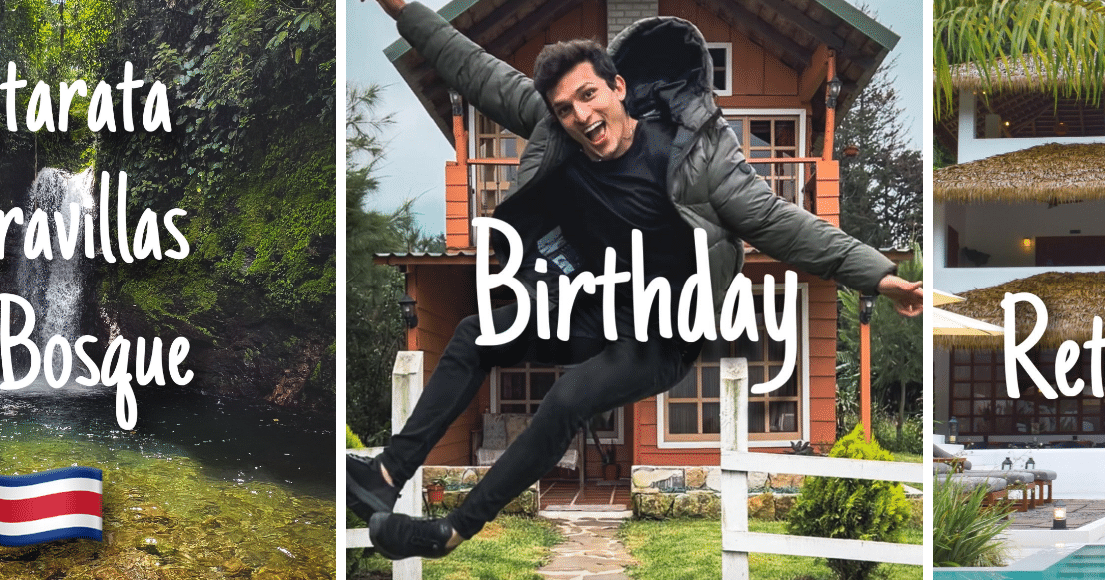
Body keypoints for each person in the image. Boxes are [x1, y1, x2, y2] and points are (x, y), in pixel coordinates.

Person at [350, 0, 924, 560]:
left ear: (617, 88)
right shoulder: (556, 133)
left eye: (588, 94)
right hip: (594, 304)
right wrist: (405, 10)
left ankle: (453, 529)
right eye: (566, 107)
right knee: (479, 333)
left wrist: (879, 275)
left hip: (666, 331)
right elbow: (475, 69)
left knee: (569, 396)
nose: (581, 116)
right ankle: (387, 472)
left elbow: (779, 222)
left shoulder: (698, 157)